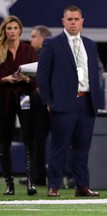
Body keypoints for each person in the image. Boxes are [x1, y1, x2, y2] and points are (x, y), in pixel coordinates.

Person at [37, 5, 101, 197]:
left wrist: (96, 99)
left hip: (86, 102)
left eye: (76, 19)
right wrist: (48, 101)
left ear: (82, 21)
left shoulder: (90, 43)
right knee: (60, 146)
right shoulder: (52, 43)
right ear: (63, 21)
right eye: (69, 19)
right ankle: (54, 185)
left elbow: (94, 73)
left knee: (82, 147)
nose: (73, 22)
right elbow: (43, 75)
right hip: (63, 104)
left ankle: (82, 186)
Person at [0, 15, 38, 195]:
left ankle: (31, 181)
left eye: (15, 28)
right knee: (4, 141)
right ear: (4, 31)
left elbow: (36, 81)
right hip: (4, 98)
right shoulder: (0, 50)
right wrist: (4, 79)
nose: (12, 31)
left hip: (24, 96)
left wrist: (26, 79)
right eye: (9, 28)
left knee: (29, 139)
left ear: (20, 30)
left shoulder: (29, 51)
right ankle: (9, 184)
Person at [29, 25, 52, 186]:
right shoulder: (35, 54)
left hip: (46, 102)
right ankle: (38, 174)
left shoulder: (45, 53)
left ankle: (40, 175)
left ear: (42, 38)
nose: (30, 39)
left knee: (40, 139)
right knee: (39, 139)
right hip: (44, 101)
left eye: (33, 36)